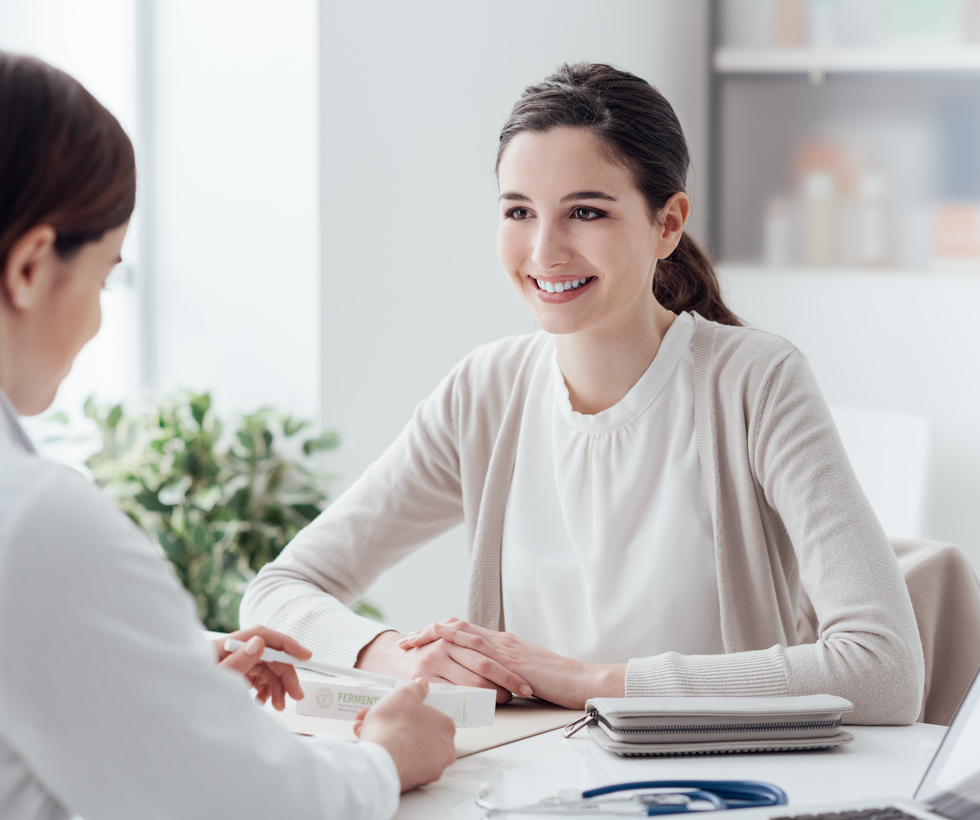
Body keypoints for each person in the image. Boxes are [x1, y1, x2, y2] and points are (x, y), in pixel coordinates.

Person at [241, 63, 924, 725]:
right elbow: (278, 591)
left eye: (586, 212)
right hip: (532, 787)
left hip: (720, 791)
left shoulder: (754, 381)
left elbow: (884, 669)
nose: (544, 251)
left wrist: (590, 683)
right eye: (518, 211)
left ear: (667, 223)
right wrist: (395, 657)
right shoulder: (487, 391)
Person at [0, 51, 455, 820]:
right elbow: (251, 806)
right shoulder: (36, 522)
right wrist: (385, 755)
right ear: (31, 268)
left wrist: (148, 677)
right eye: (106, 275)